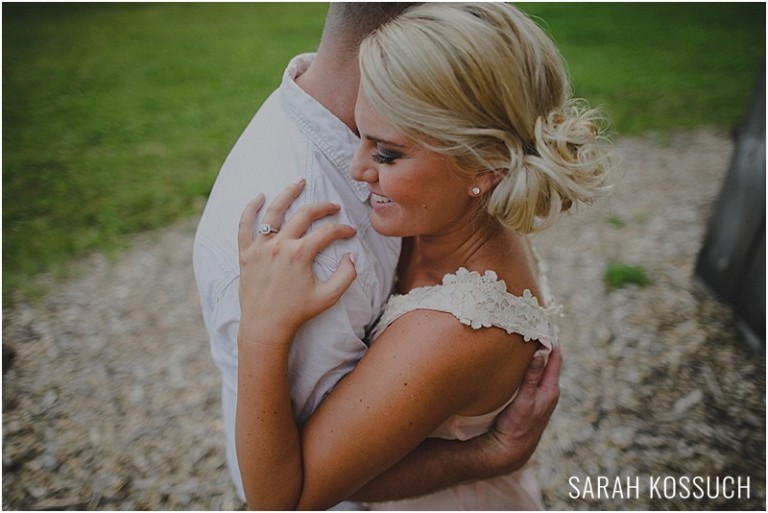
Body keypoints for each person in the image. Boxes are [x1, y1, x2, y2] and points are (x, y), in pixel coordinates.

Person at [234, 2, 613, 510]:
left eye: (387, 154)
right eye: (359, 134)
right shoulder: (462, 211)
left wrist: (261, 325)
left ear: (485, 165)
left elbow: (283, 500)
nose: (356, 168)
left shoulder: (454, 330)